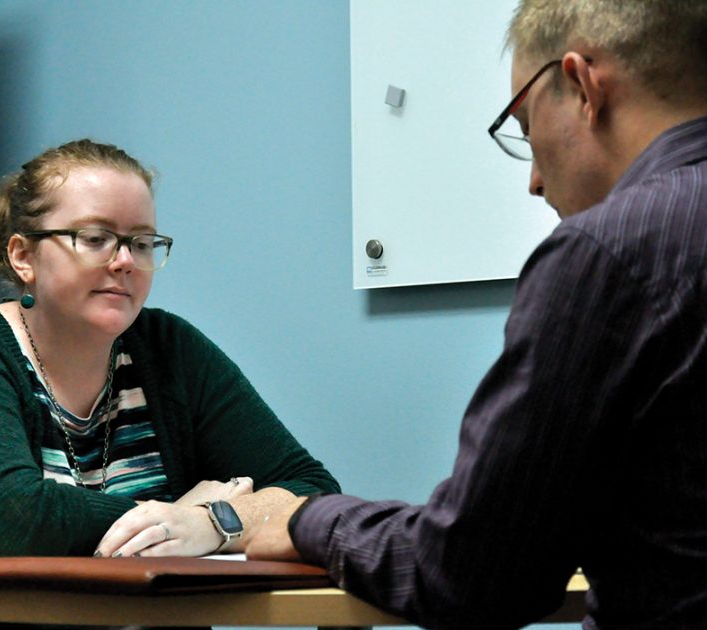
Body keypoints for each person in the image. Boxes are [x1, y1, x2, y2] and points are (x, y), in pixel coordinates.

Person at [247, 1, 707, 628]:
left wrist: (305, 518)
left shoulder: (609, 251)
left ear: (582, 84)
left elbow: (469, 573)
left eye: (522, 126)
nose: (534, 181)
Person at [0, 139, 339, 628]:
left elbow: (313, 492)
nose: (125, 260)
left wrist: (209, 522)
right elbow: (3, 519)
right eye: (95, 238)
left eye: (142, 242)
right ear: (23, 256)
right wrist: (170, 514)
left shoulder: (170, 348)